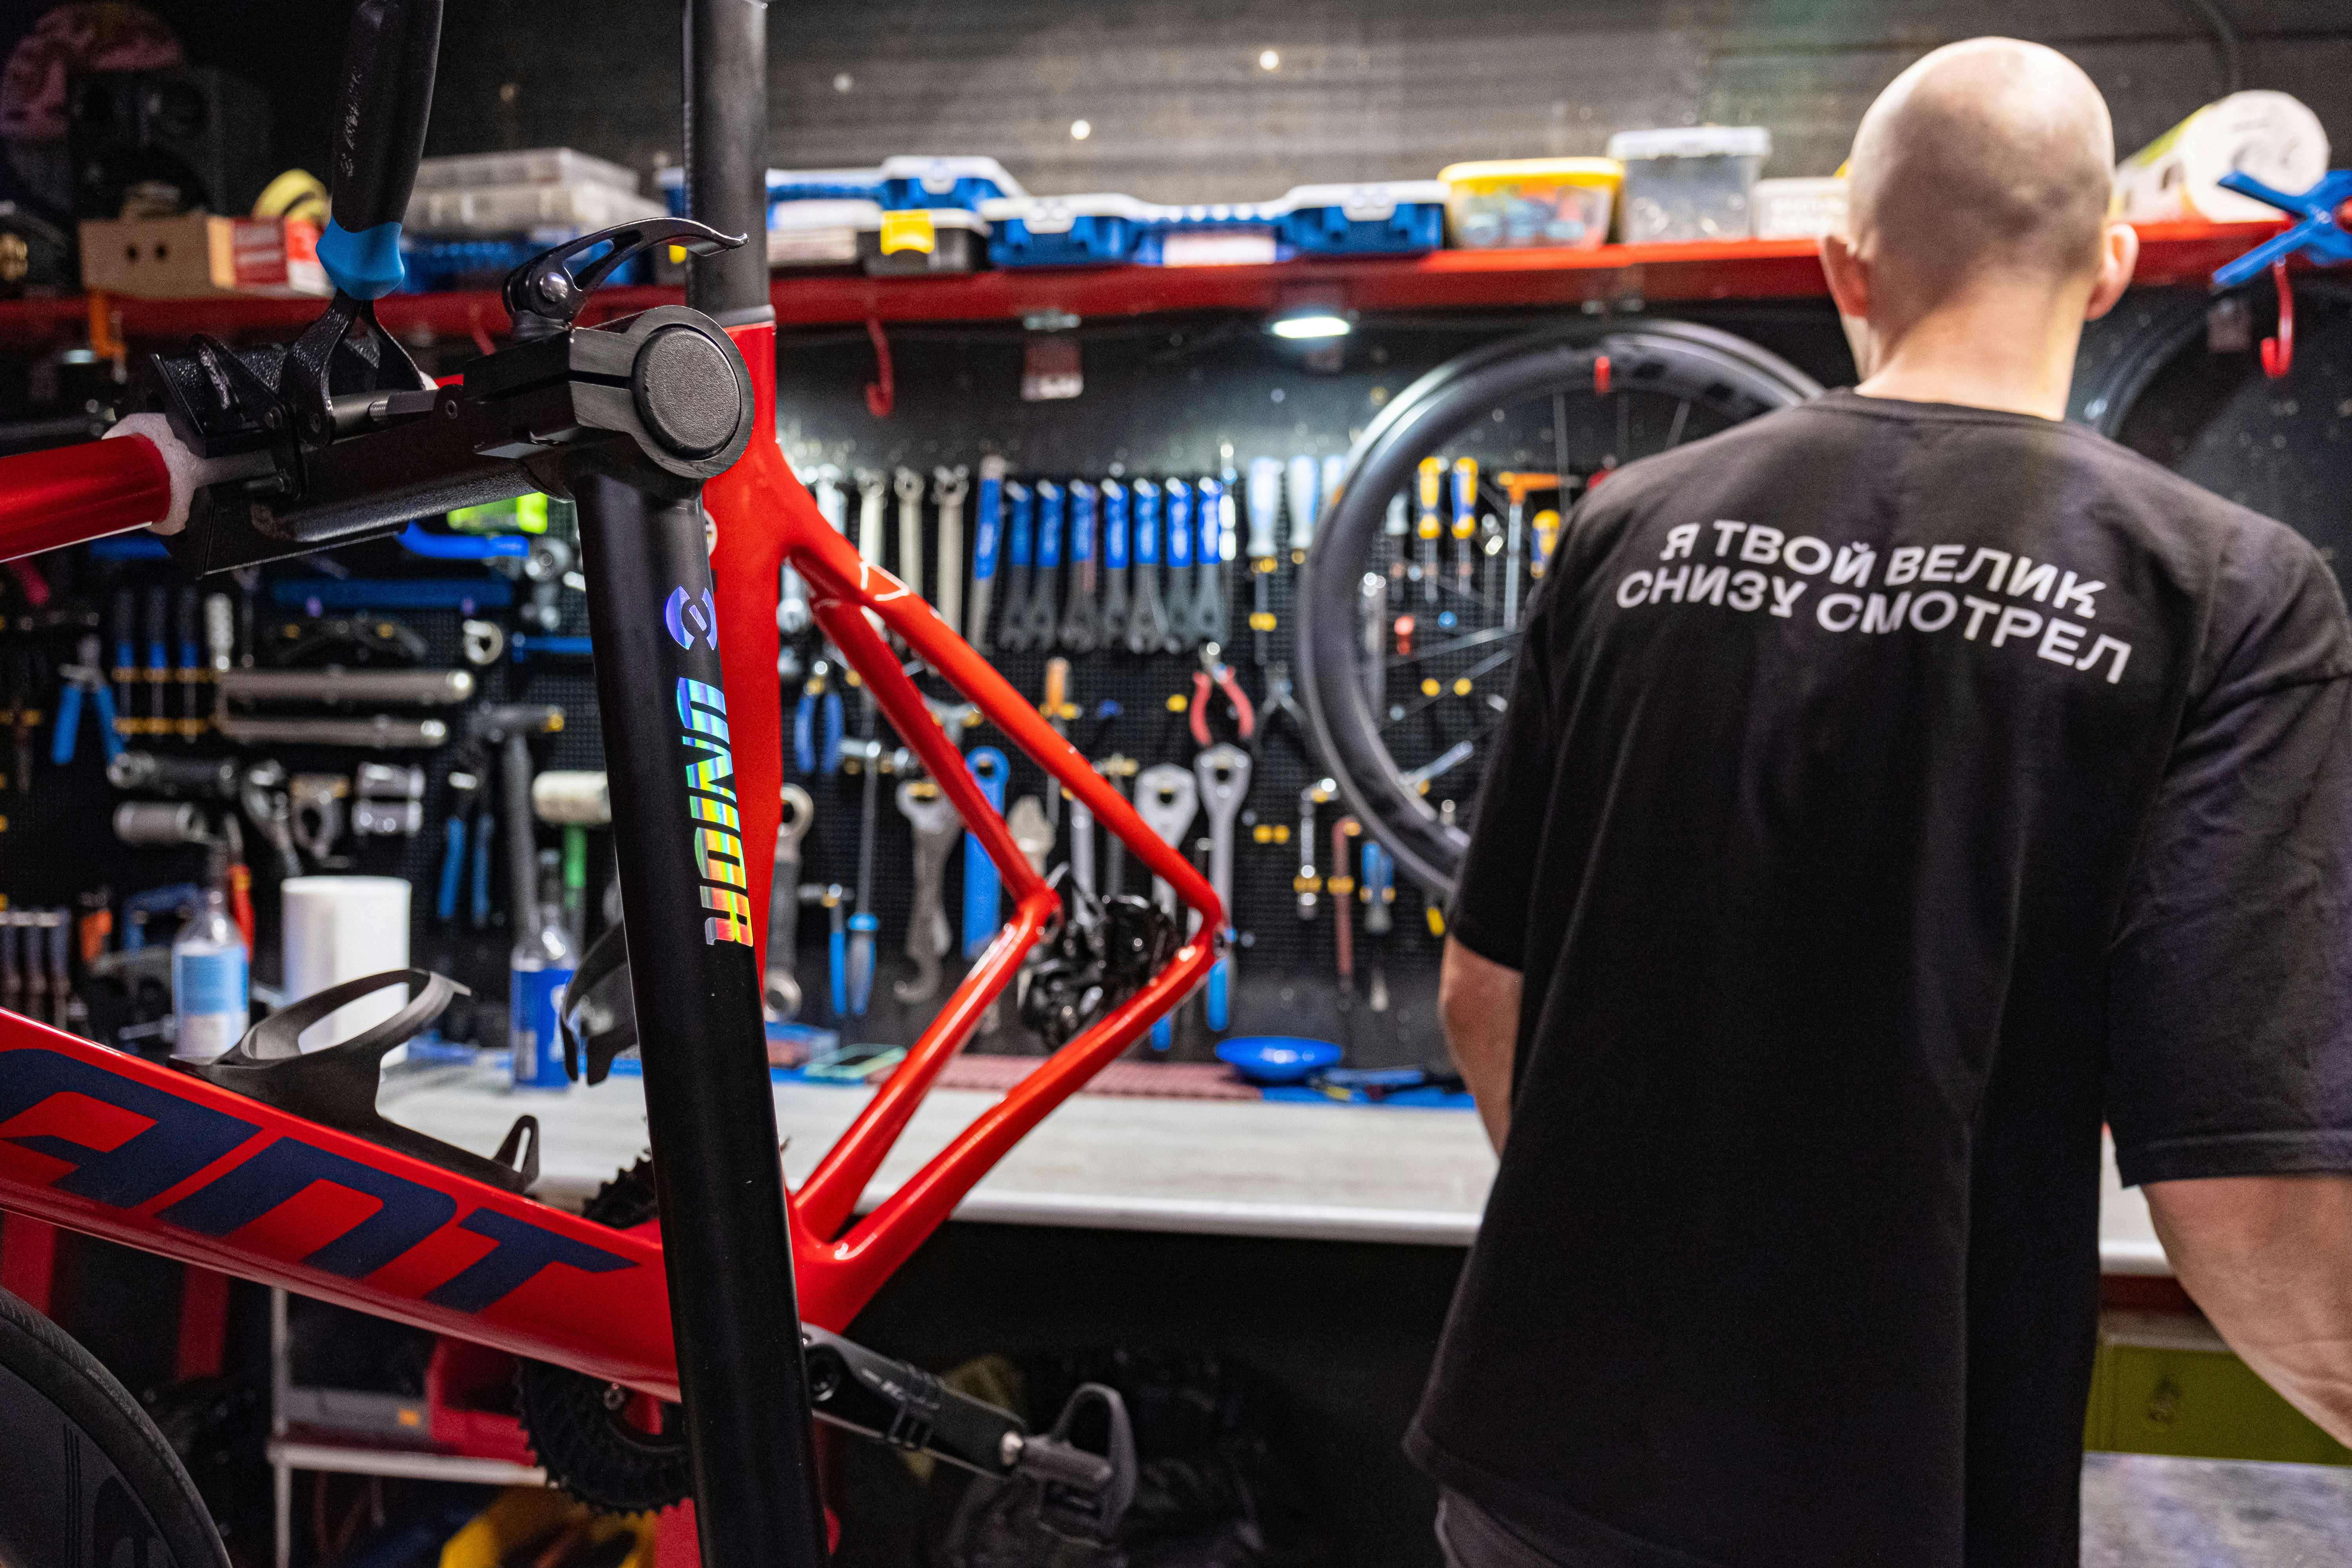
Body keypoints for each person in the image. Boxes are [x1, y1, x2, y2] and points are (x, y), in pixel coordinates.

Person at [1416, 36, 2352, 1568]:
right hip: (1889, 1492)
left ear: (1845, 261)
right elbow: (2248, 1195)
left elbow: (1479, 993)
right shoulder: (2224, 589)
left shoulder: (1630, 526)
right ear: (2111, 264)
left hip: (1539, 1467)